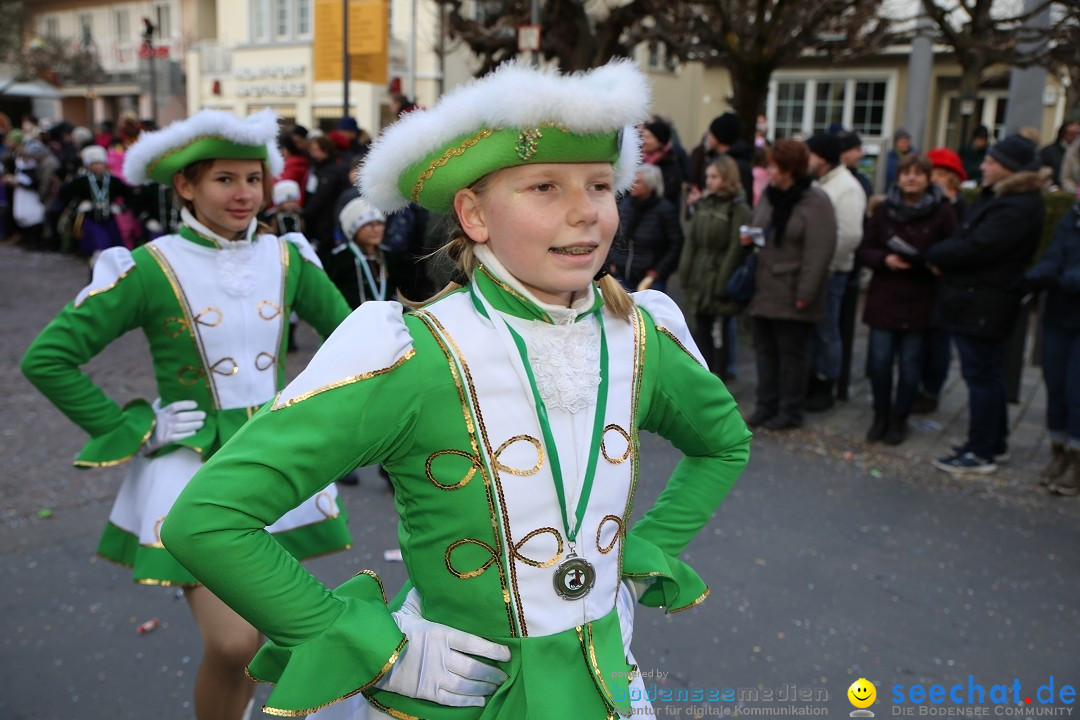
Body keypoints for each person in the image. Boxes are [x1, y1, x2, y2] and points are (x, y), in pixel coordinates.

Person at [160, 60, 751, 720]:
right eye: (545, 188)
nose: (585, 212)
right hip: (456, 698)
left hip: (605, 685)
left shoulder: (639, 335)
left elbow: (723, 443)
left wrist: (636, 564)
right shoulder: (414, 355)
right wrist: (368, 643)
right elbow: (206, 519)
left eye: (599, 185)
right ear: (472, 213)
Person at [20, 108, 355, 720]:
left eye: (253, 179)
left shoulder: (288, 259)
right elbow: (49, 358)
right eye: (224, 179)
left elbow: (355, 342)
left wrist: (324, 416)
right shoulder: (150, 266)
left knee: (271, 642)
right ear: (185, 186)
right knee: (234, 642)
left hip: (275, 464)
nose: (244, 194)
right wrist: (133, 426)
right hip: (191, 468)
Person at [925, 134, 1045, 474]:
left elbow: (977, 246)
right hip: (979, 298)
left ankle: (981, 450)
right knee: (987, 374)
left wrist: (936, 256)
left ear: (1009, 168)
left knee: (980, 375)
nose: (984, 166)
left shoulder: (1016, 206)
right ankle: (993, 441)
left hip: (983, 300)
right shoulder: (1008, 199)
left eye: (991, 162)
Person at [856, 153, 957, 445]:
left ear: (928, 178)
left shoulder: (942, 212)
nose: (911, 178)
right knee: (880, 363)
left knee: (911, 365)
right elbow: (865, 248)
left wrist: (928, 259)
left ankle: (900, 418)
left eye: (918, 173)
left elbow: (952, 249)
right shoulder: (885, 210)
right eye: (905, 173)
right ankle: (880, 415)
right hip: (885, 297)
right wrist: (885, 258)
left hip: (920, 299)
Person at [744, 139, 837, 430]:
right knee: (765, 351)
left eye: (774, 166)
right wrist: (748, 236)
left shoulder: (816, 201)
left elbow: (819, 252)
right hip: (765, 287)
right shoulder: (771, 196)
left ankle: (790, 410)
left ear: (790, 169)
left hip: (793, 290)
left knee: (792, 355)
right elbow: (757, 225)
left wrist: (806, 293)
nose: (769, 171)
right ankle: (765, 405)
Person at [804, 133, 865, 412]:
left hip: (832, 271)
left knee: (828, 329)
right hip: (816, 269)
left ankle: (827, 382)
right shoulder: (820, 183)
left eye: (810, 154)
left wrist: (825, 265)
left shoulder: (847, 188)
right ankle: (813, 378)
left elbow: (849, 235)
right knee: (816, 328)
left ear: (823, 159)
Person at [1023, 200, 1080, 495]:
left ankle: (1077, 461)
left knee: (1076, 392)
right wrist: (1036, 276)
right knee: (1055, 386)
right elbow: (1054, 254)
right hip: (1060, 314)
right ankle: (1059, 452)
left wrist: (1066, 279)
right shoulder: (1073, 216)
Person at [677, 155, 751, 378]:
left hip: (719, 276)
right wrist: (685, 271)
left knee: (719, 333)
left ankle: (720, 377)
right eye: (707, 176)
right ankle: (703, 377)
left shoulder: (738, 208)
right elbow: (692, 240)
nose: (708, 181)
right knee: (701, 330)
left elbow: (734, 249)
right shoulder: (706, 203)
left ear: (727, 178)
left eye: (714, 176)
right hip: (701, 275)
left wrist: (722, 282)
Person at [911, 146, 969, 415]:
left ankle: (931, 390)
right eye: (931, 173)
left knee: (938, 342)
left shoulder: (958, 208)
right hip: (919, 279)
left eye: (941, 174)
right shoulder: (919, 202)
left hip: (944, 284)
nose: (935, 178)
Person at [608, 162, 683, 292]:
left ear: (651, 185)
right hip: (620, 274)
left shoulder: (665, 210)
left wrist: (658, 271)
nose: (633, 185)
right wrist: (613, 262)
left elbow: (676, 244)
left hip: (649, 279)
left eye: (639, 182)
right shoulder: (625, 206)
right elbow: (614, 236)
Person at [59, 144, 134, 258]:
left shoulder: (112, 180)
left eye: (100, 163)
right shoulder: (82, 180)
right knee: (98, 247)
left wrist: (120, 207)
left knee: (112, 247)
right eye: (94, 163)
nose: (98, 166)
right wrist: (79, 205)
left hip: (109, 219)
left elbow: (130, 194)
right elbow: (65, 194)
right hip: (91, 219)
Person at [640, 118, 684, 205]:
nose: (643, 141)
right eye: (642, 136)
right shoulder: (638, 160)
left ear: (660, 141)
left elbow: (668, 193)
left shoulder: (670, 165)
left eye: (648, 137)